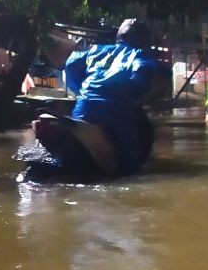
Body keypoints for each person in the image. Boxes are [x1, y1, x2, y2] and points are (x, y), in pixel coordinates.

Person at [22, 18, 156, 181]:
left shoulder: (97, 51)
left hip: (82, 112)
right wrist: (131, 92)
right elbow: (141, 78)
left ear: (119, 37)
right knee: (131, 167)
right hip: (115, 116)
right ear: (145, 40)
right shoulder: (141, 56)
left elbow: (71, 64)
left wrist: (80, 89)